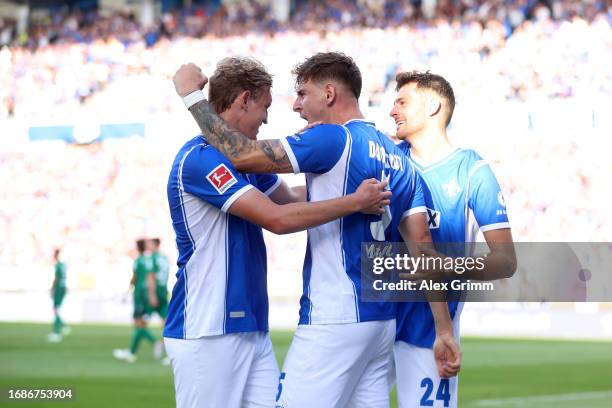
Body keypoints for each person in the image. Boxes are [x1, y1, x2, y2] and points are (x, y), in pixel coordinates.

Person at [172, 52, 461, 408]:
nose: (293, 107)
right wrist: (444, 330)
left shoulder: (330, 139)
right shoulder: (403, 161)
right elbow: (424, 250)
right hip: (379, 323)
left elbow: (244, 155)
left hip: (334, 315)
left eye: (303, 94)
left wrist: (190, 95)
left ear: (328, 94)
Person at [390, 71, 517, 407]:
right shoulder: (386, 159)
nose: (392, 110)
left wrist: (447, 266)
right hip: (370, 320)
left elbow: (505, 260)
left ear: (433, 107)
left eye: (402, 102)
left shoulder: (472, 171)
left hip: (427, 327)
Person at [113, 238, 161, 363]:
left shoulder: (139, 260)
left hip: (140, 294)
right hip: (146, 294)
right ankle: (132, 351)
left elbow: (134, 278)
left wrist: (127, 291)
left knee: (138, 323)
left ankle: (152, 343)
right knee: (141, 324)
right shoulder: (149, 259)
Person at [149, 237, 170, 364]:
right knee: (167, 322)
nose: (148, 246)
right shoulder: (163, 258)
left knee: (167, 322)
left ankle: (162, 345)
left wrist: (151, 295)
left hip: (154, 293)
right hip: (161, 291)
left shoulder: (153, 258)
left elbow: (150, 276)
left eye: (150, 244)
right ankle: (161, 344)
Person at [48, 248, 68, 343]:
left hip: (59, 289)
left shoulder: (58, 265)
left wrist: (52, 288)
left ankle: (56, 332)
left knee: (55, 309)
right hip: (63, 288)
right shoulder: (63, 265)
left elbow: (56, 278)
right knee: (57, 309)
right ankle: (63, 326)